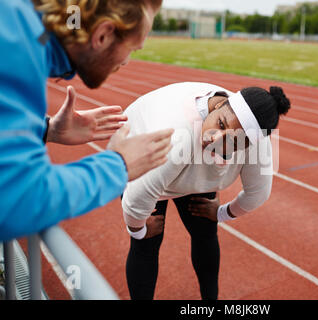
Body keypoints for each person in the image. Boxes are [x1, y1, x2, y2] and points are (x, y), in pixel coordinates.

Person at [0, 0, 173, 241]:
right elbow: (17, 201)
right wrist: (118, 165)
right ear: (102, 35)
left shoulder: (22, 25)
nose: (125, 62)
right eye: (132, 48)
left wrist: (46, 129)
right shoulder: (18, 43)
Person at [122, 82, 291, 300]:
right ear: (218, 104)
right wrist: (137, 229)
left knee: (205, 232)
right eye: (220, 124)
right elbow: (136, 196)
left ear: (248, 146)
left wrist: (222, 213)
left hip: (188, 164)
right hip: (141, 150)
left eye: (232, 140)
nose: (215, 138)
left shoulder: (256, 141)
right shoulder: (173, 133)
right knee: (146, 243)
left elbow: (257, 194)